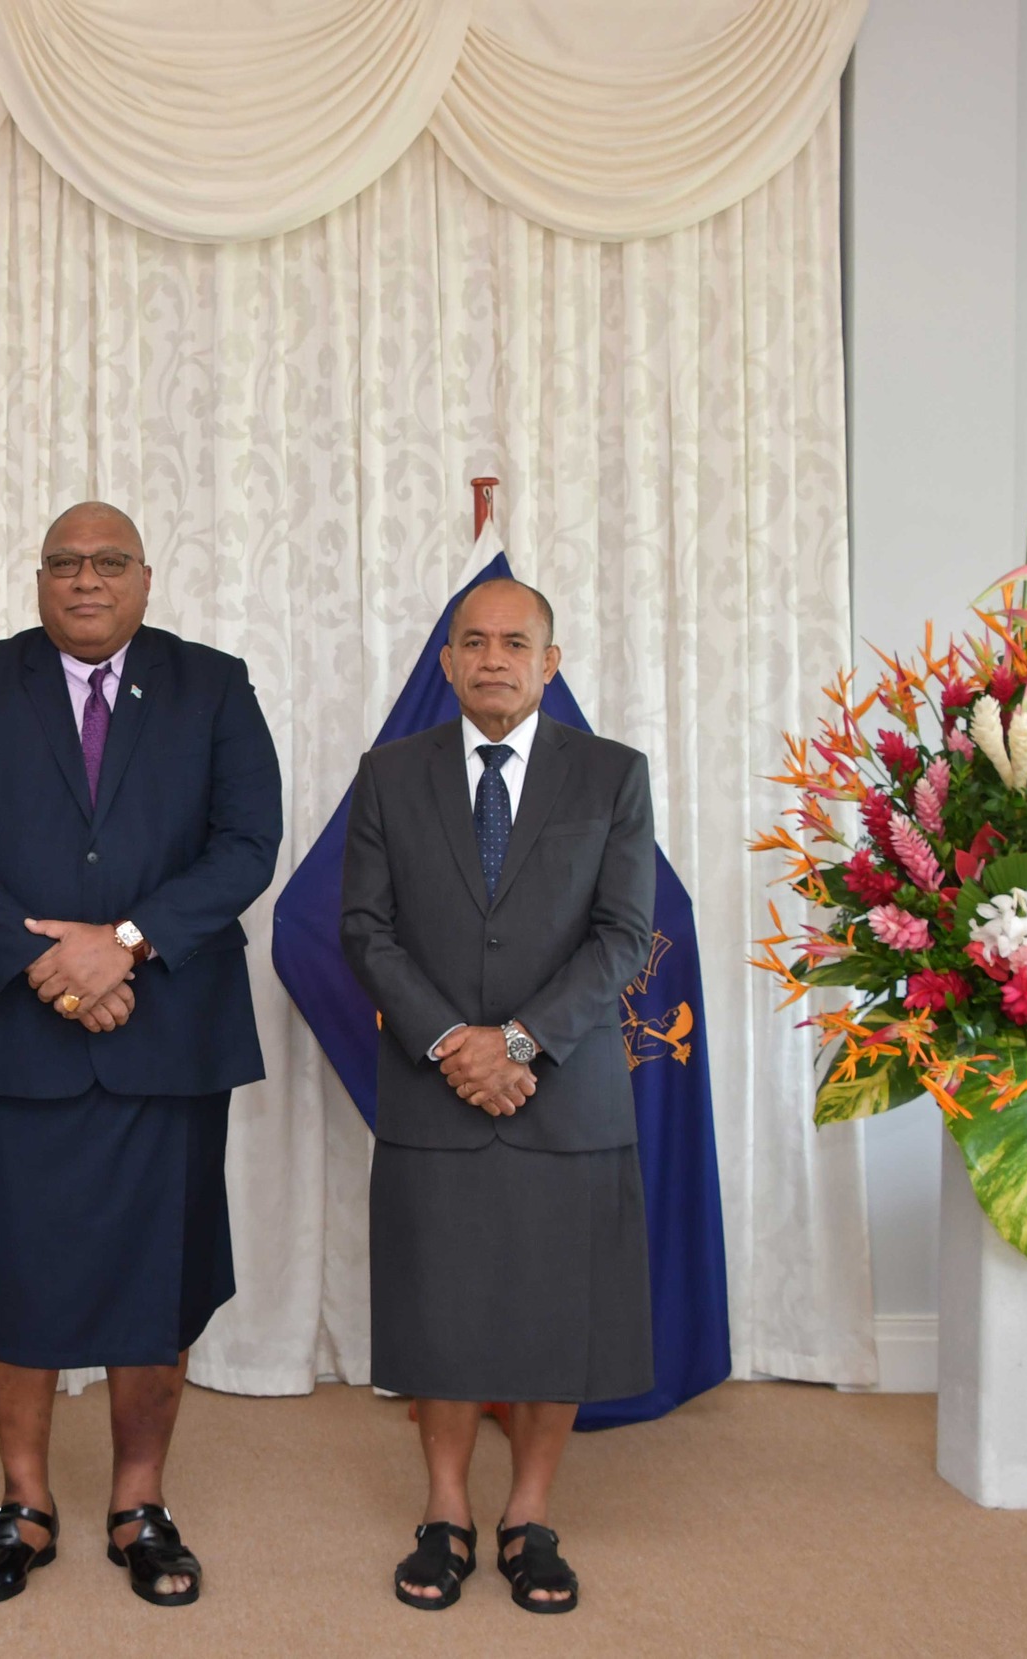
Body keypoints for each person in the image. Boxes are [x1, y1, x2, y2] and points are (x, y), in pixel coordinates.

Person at [0, 501, 282, 1610]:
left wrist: (120, 946)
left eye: (106, 563)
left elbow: (245, 842)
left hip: (165, 1027)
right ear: (37, 580)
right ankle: (23, 1499)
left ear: (146, 579)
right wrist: (46, 970)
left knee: (151, 1281)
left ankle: (138, 1502)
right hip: (6, 1032)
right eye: (63, 564)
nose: (83, 580)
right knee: (14, 1269)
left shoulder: (214, 685)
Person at [339, 575, 655, 1615]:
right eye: (470, 642)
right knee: (443, 1310)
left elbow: (620, 935)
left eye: (513, 642)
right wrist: (451, 1045)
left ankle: (525, 1515)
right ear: (444, 661)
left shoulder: (611, 775)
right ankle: (444, 1513)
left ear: (548, 661)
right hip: (434, 1090)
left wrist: (516, 1041)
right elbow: (363, 931)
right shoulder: (388, 775)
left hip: (562, 1091)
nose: (491, 658)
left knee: (553, 1312)